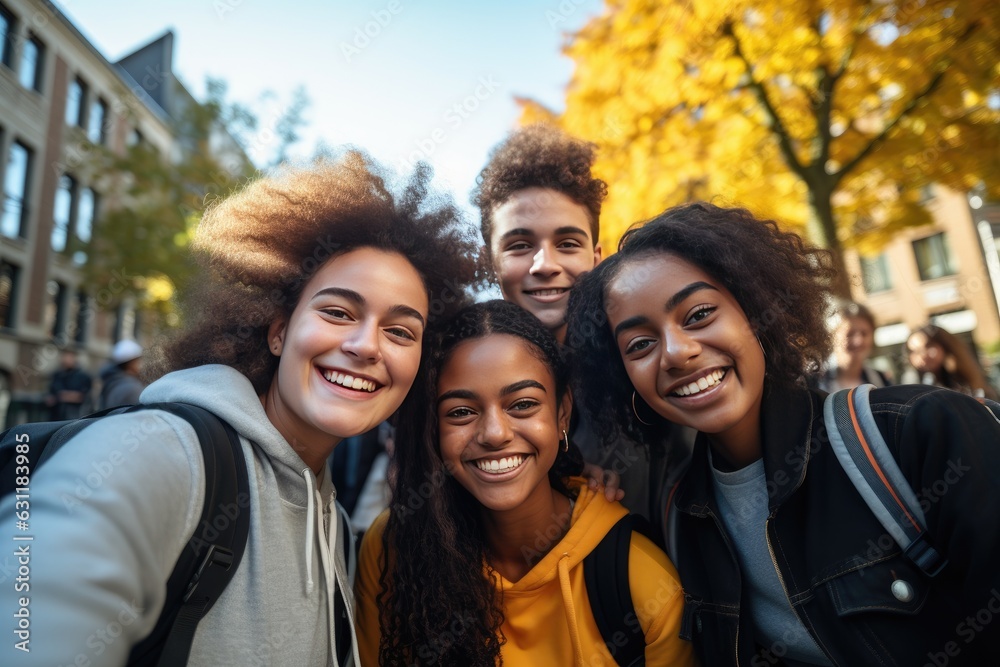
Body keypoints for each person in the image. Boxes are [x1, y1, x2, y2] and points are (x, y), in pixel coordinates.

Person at [0, 153, 483, 666]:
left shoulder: (336, 526)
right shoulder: (170, 453)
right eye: (338, 312)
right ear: (278, 331)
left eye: (401, 331)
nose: (367, 346)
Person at [566, 202, 1000, 666]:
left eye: (698, 314)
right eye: (640, 344)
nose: (676, 352)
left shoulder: (923, 431)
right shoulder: (679, 517)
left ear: (756, 311)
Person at [355, 300, 695, 666]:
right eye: (461, 412)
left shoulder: (642, 582)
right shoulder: (392, 547)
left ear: (562, 412)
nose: (495, 434)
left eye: (522, 404)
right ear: (433, 428)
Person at [473, 124, 691, 520]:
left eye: (567, 244)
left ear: (596, 258)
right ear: (490, 262)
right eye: (520, 246)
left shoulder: (641, 360)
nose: (545, 265)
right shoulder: (457, 370)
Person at [811, 301, 891, 392]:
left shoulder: (881, 380)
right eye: (850, 334)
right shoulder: (814, 380)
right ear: (832, 337)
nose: (858, 341)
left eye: (864, 334)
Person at [906, 323, 999, 400]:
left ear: (945, 346)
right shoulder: (912, 383)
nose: (922, 355)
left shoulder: (962, 378)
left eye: (928, 346)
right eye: (914, 351)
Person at [98, 339, 146, 410]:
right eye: (139, 360)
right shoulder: (132, 388)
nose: (142, 364)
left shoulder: (114, 380)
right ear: (131, 364)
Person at [45, 349, 93, 420]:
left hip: (74, 416)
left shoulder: (82, 376)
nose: (67, 359)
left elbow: (81, 397)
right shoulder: (57, 375)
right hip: (56, 415)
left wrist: (60, 396)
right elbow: (50, 394)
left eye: (70, 357)